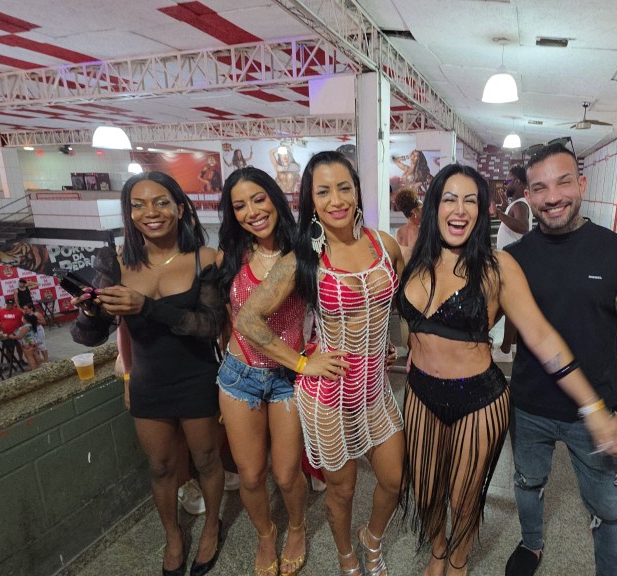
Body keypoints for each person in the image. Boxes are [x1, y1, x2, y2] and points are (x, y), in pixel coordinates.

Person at [397, 164, 617, 576]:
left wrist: (593, 407)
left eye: (470, 201)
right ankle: (438, 553)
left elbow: (543, 338)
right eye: (449, 199)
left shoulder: (497, 268)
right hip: (420, 394)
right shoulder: (411, 259)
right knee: (425, 492)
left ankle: (458, 562)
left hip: (478, 401)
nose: (459, 210)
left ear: (482, 210)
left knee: (464, 497)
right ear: (434, 206)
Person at [237, 151, 406, 576]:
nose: (336, 200)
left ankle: (372, 540)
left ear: (357, 191)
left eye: (344, 188)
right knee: (342, 491)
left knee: (393, 480)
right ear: (310, 201)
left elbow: (393, 302)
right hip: (328, 397)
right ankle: (347, 555)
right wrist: (300, 363)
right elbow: (248, 319)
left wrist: (388, 343)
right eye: (324, 191)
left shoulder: (384, 245)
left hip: (375, 392)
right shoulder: (304, 259)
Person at [503, 142, 617, 576]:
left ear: (582, 184)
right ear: (528, 195)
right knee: (528, 482)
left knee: (607, 506)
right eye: (540, 188)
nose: (552, 197)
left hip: (597, 411)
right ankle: (531, 543)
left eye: (563, 182)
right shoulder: (514, 259)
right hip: (529, 405)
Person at [70, 171, 227, 576]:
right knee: (160, 467)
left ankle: (211, 527)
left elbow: (210, 326)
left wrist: (147, 307)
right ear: (129, 213)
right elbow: (90, 336)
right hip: (148, 382)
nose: (150, 212)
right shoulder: (116, 262)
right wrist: (91, 312)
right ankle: (173, 536)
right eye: (137, 205)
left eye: (160, 202)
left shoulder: (205, 259)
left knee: (207, 460)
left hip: (196, 376)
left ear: (180, 208)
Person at [216, 167, 308, 576]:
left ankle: (297, 528)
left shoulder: (304, 251)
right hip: (239, 377)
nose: (252, 212)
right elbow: (226, 316)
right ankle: (266, 535)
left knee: (286, 475)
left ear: (275, 198)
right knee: (251, 475)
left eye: (258, 199)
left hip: (288, 378)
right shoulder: (231, 255)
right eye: (240, 206)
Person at [492, 165, 531, 359]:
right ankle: (512, 344)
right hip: (511, 261)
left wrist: (498, 214)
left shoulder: (521, 204)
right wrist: (502, 207)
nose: (505, 184)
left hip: (514, 263)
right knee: (510, 306)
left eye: (508, 181)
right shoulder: (516, 203)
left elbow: (523, 227)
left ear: (517, 181)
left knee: (509, 306)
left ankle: (505, 350)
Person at [393, 187, 422, 261]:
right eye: (420, 210)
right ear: (414, 212)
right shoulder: (421, 231)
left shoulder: (399, 231)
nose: (423, 212)